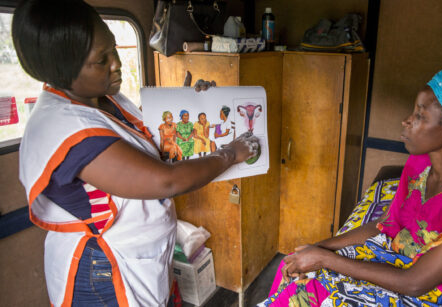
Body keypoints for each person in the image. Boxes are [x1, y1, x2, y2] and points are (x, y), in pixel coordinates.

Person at [12, 0, 259, 306]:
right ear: (63, 72)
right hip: (103, 272)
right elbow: (165, 181)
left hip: (138, 257)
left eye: (113, 49)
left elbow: (141, 138)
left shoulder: (100, 98)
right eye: (101, 60)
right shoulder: (63, 128)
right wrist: (230, 154)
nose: (115, 63)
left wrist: (190, 105)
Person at [259, 69, 442, 307]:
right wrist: (320, 247)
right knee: (292, 268)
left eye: (420, 116)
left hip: (435, 293)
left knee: (307, 291)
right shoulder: (422, 163)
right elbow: (386, 226)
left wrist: (325, 259)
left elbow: (414, 283)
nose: (406, 121)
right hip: (397, 260)